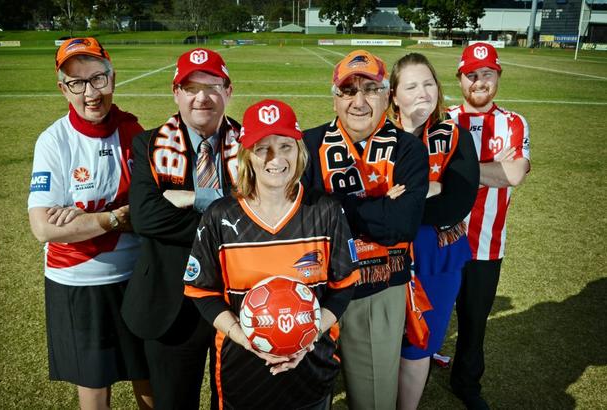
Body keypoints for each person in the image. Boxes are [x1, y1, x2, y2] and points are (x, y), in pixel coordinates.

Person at [183, 99, 360, 409]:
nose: (275, 158)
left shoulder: (326, 211)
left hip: (312, 367)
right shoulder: (220, 216)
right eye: (262, 147)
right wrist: (242, 336)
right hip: (243, 372)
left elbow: (344, 287)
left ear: (299, 151)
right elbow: (201, 291)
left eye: (285, 146)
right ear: (247, 155)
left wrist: (307, 337)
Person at [27, 37, 152, 409]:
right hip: (78, 283)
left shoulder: (134, 131)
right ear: (63, 88)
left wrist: (86, 220)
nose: (90, 93)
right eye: (77, 83)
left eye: (97, 78)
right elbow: (44, 228)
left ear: (112, 78)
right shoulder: (53, 141)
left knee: (147, 375)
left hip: (135, 277)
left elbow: (151, 212)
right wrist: (116, 217)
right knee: (95, 386)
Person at [303, 50, 429, 410]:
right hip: (314, 284)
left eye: (370, 90)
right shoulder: (309, 144)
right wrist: (378, 205)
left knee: (372, 399)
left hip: (378, 287)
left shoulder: (408, 150)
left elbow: (401, 225)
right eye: (348, 90)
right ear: (334, 97)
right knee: (308, 395)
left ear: (387, 95)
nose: (358, 101)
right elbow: (302, 215)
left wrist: (332, 204)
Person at [120, 48, 240, 410]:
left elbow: (261, 213)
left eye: (212, 86)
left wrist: (195, 197)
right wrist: (225, 207)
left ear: (228, 91)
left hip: (235, 300)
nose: (202, 97)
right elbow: (146, 218)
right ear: (176, 93)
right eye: (190, 87)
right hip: (171, 303)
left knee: (234, 400)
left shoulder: (250, 144)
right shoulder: (149, 143)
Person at [386, 53, 479, 410]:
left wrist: (402, 196)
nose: (423, 92)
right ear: (394, 95)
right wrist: (429, 187)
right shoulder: (377, 134)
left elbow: (457, 203)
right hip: (381, 256)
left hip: (437, 257)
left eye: (429, 83)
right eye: (411, 86)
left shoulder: (455, 135)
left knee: (418, 345)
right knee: (378, 342)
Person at [447, 42, 531, 409]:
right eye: (472, 75)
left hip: (487, 242)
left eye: (487, 74)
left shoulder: (513, 122)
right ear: (460, 78)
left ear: (498, 76)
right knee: (422, 314)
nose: (479, 81)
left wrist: (456, 171)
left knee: (474, 320)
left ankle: (466, 384)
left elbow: (513, 175)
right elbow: (426, 172)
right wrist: (490, 171)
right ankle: (412, 369)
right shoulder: (444, 120)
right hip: (439, 240)